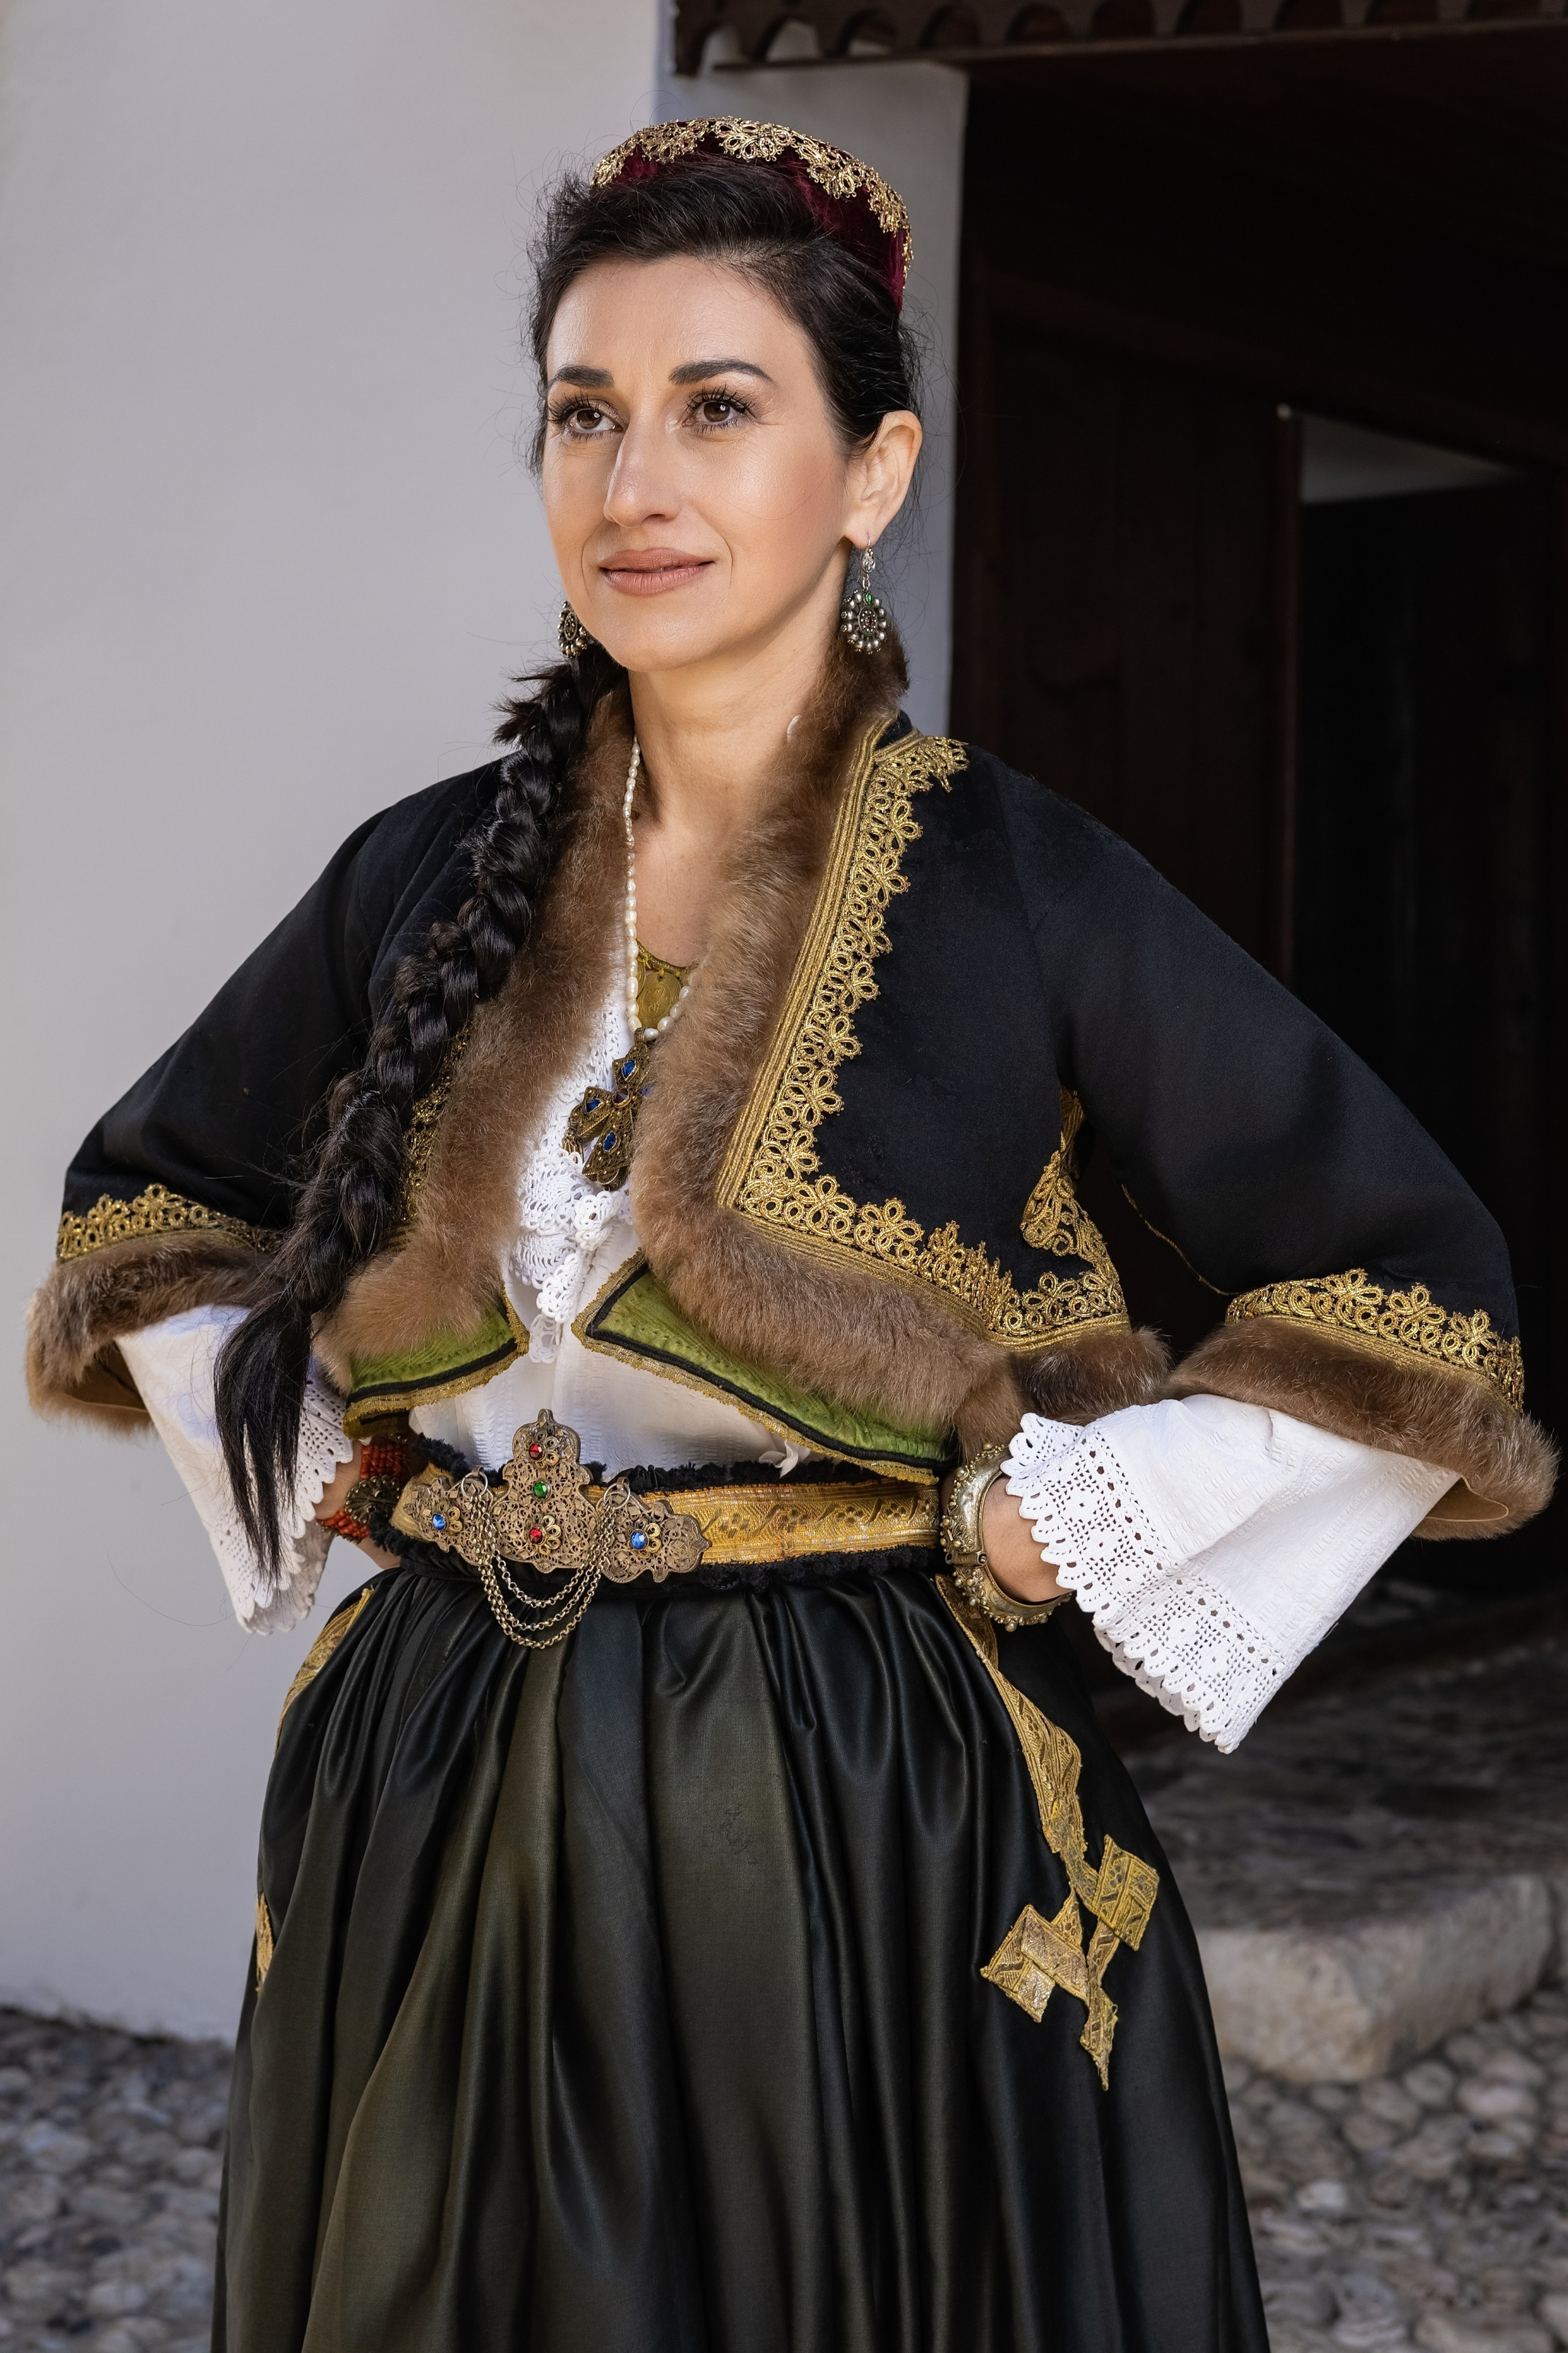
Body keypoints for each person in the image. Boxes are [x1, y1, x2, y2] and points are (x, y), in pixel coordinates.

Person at [28, 118, 1553, 2353]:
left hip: (842, 1798)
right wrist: (342, 1456)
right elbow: (142, 1214)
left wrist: (1081, 1512)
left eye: (718, 408)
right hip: (435, 1765)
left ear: (872, 469)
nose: (632, 475)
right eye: (585, 411)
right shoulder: (423, 872)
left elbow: (1417, 1298)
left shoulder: (1017, 881)